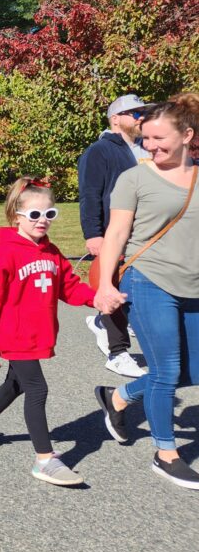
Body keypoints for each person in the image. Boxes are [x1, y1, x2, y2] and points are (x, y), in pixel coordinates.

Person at [93, 94, 199, 490]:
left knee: (194, 369)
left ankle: (119, 398)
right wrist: (105, 284)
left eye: (159, 139)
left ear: (187, 135)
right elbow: (116, 233)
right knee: (167, 370)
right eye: (146, 138)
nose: (150, 146)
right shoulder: (135, 177)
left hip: (193, 284)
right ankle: (166, 453)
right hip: (148, 279)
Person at [0, 177, 100, 486]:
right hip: (13, 334)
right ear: (17, 216)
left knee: (17, 384)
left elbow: (69, 287)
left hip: (38, 333)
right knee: (37, 388)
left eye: (49, 214)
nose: (42, 221)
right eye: (34, 215)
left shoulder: (51, 252)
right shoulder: (5, 253)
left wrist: (97, 299)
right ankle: (45, 460)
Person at [78, 94, 149, 378]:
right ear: (115, 119)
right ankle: (117, 353)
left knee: (138, 292)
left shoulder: (148, 147)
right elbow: (90, 194)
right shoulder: (100, 151)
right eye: (134, 113)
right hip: (114, 233)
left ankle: (101, 323)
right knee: (114, 288)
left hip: (146, 235)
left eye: (143, 112)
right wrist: (94, 234)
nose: (140, 117)